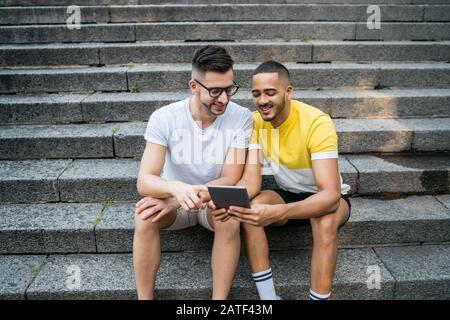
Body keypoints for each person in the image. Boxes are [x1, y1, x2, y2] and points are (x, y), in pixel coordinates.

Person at [211, 61, 351, 300]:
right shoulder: (255, 122)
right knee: (249, 210)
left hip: (329, 198)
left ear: (288, 92)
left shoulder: (317, 122)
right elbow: (252, 182)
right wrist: (224, 200)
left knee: (324, 221)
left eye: (270, 92)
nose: (262, 100)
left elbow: (329, 196)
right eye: (256, 94)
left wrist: (278, 213)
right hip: (288, 192)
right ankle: (269, 299)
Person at [133, 45, 253, 300]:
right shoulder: (163, 118)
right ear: (194, 86)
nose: (224, 99)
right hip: (174, 205)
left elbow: (230, 177)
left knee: (231, 217)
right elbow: (145, 180)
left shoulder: (241, 116)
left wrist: (183, 197)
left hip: (211, 201)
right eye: (215, 91)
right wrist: (176, 191)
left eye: (229, 89)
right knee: (144, 215)